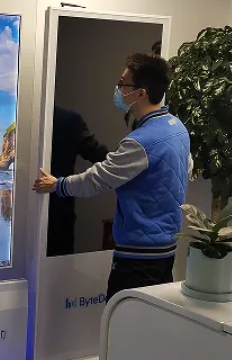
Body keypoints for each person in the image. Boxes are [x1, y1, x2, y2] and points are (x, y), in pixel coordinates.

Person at [33, 53, 191, 301]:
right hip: (165, 250)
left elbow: (98, 179)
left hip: (138, 258)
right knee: (151, 319)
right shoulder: (177, 127)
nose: (118, 89)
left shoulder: (141, 142)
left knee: (124, 320)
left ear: (140, 93)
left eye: (122, 84)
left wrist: (58, 185)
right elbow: (186, 168)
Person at [47, 106, 109, 256]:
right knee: (58, 263)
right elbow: (103, 158)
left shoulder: (19, 120)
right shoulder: (69, 120)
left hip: (53, 208)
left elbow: (104, 160)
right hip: (60, 208)